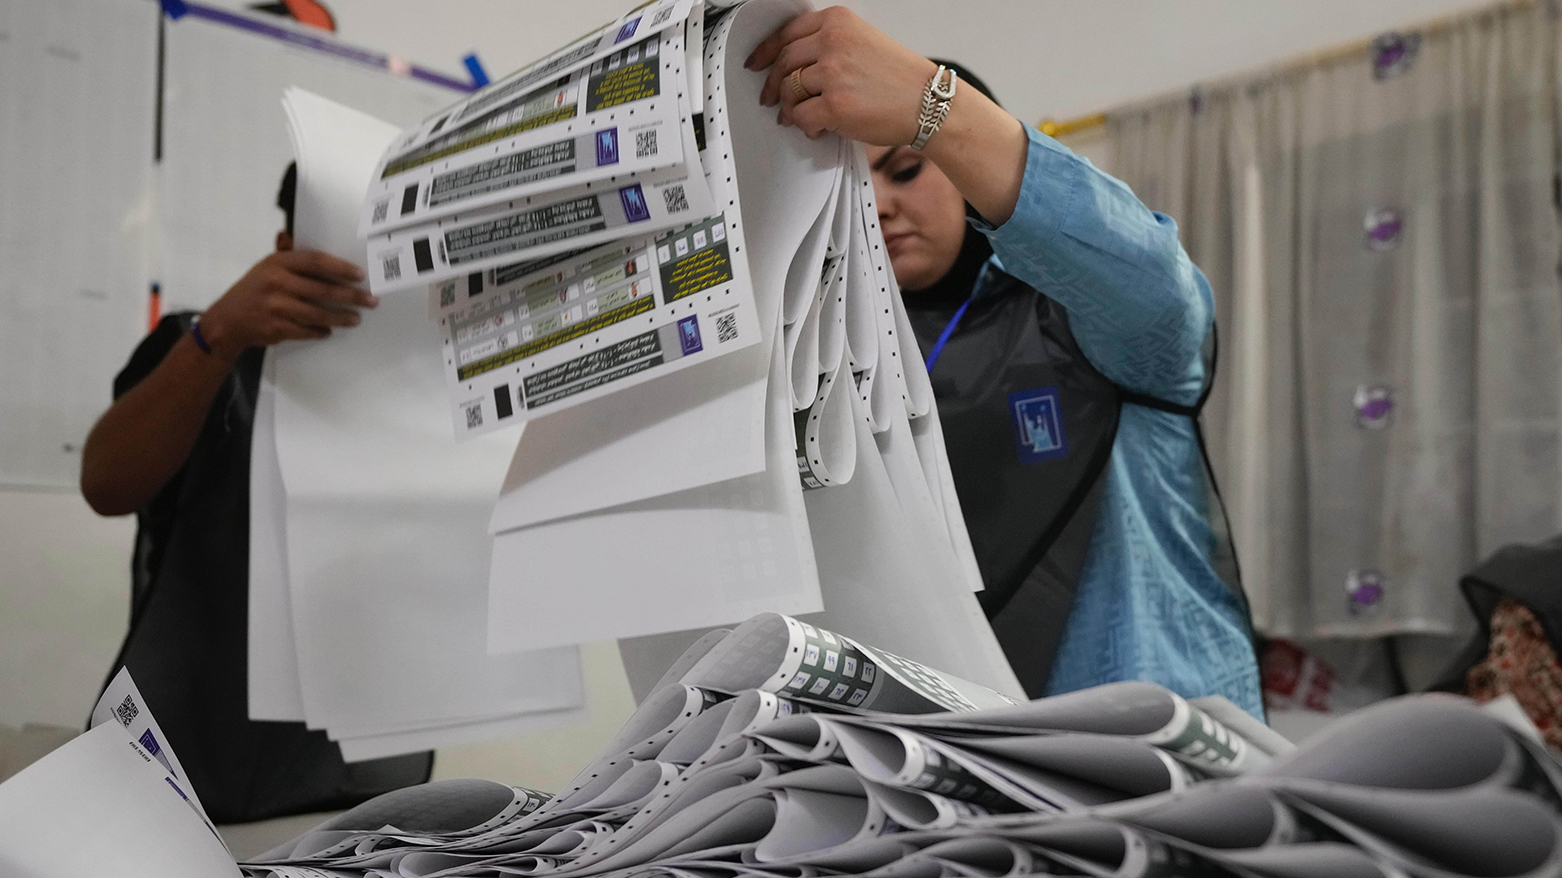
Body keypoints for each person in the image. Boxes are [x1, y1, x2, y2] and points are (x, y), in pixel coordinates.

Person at [746, 10, 1263, 717]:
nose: (882, 206)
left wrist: (935, 106)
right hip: (967, 751)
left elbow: (1162, 295)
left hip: (1157, 734)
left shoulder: (1079, 315)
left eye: (906, 169)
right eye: (858, 189)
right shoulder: (835, 355)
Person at [79, 166, 433, 823]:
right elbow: (105, 483)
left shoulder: (425, 382)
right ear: (286, 246)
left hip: (362, 782)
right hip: (179, 769)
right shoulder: (203, 348)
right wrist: (220, 332)